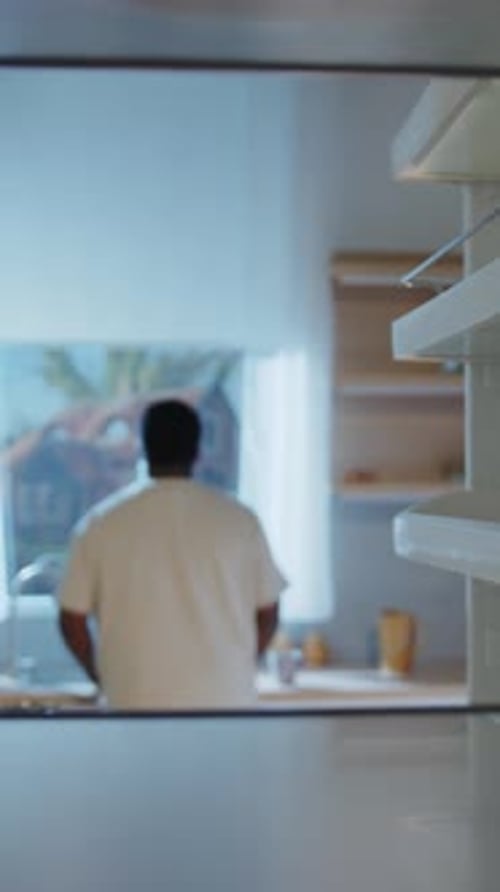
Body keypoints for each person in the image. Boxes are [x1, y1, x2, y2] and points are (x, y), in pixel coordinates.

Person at [58, 399, 286, 709]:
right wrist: (238, 666)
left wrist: (103, 676)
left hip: (134, 703)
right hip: (226, 706)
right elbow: (269, 612)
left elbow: (71, 619)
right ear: (197, 451)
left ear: (144, 447)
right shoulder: (239, 521)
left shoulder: (101, 525)